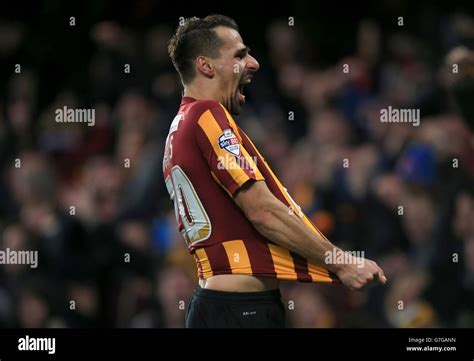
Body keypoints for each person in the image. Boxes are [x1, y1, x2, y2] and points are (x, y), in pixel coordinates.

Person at [163, 14, 386, 328]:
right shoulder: (206, 114)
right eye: (239, 55)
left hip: (217, 305)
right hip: (240, 310)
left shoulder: (177, 129)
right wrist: (342, 261)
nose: (253, 63)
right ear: (206, 66)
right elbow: (263, 211)